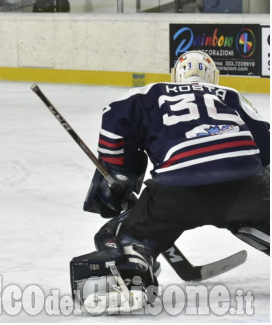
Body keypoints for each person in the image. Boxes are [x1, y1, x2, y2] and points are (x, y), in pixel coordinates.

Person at [70, 51, 270, 313]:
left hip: (178, 191)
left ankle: (133, 274)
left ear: (175, 76)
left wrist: (120, 177)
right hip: (247, 186)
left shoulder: (147, 94)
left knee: (120, 234)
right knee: (258, 210)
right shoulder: (229, 95)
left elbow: (114, 123)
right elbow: (265, 145)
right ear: (214, 78)